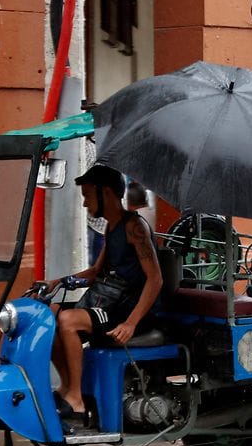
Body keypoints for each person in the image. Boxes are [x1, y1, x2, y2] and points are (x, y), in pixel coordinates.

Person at [43, 165, 163, 426]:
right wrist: (58, 282)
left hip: (129, 310)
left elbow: (155, 279)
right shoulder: (113, 227)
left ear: (106, 193)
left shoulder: (135, 228)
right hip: (109, 304)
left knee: (68, 321)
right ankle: (67, 387)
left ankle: (76, 399)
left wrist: (130, 323)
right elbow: (97, 271)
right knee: (48, 314)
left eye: (87, 195)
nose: (85, 203)